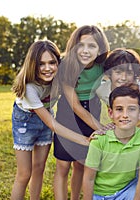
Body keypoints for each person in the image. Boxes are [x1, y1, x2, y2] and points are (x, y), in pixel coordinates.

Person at [10, 40, 91, 200]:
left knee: (39, 167)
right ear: (33, 65)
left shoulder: (59, 78)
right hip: (25, 122)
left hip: (45, 115)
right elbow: (52, 124)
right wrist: (84, 140)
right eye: (41, 64)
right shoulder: (30, 88)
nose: (47, 68)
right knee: (24, 173)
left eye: (52, 62)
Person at [53, 25, 110, 199]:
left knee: (81, 165)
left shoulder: (103, 66)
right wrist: (100, 127)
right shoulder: (67, 66)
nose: (85, 51)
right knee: (63, 166)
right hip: (68, 114)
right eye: (81, 45)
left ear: (100, 48)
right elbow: (75, 105)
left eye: (91, 46)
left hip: (92, 109)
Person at [83, 83, 140, 200]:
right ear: (111, 113)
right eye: (119, 109)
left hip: (127, 189)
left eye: (131, 109)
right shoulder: (99, 140)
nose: (125, 115)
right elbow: (89, 178)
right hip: (100, 194)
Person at [96, 48, 140, 134]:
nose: (123, 78)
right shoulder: (102, 91)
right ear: (109, 73)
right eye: (118, 72)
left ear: (135, 75)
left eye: (129, 73)